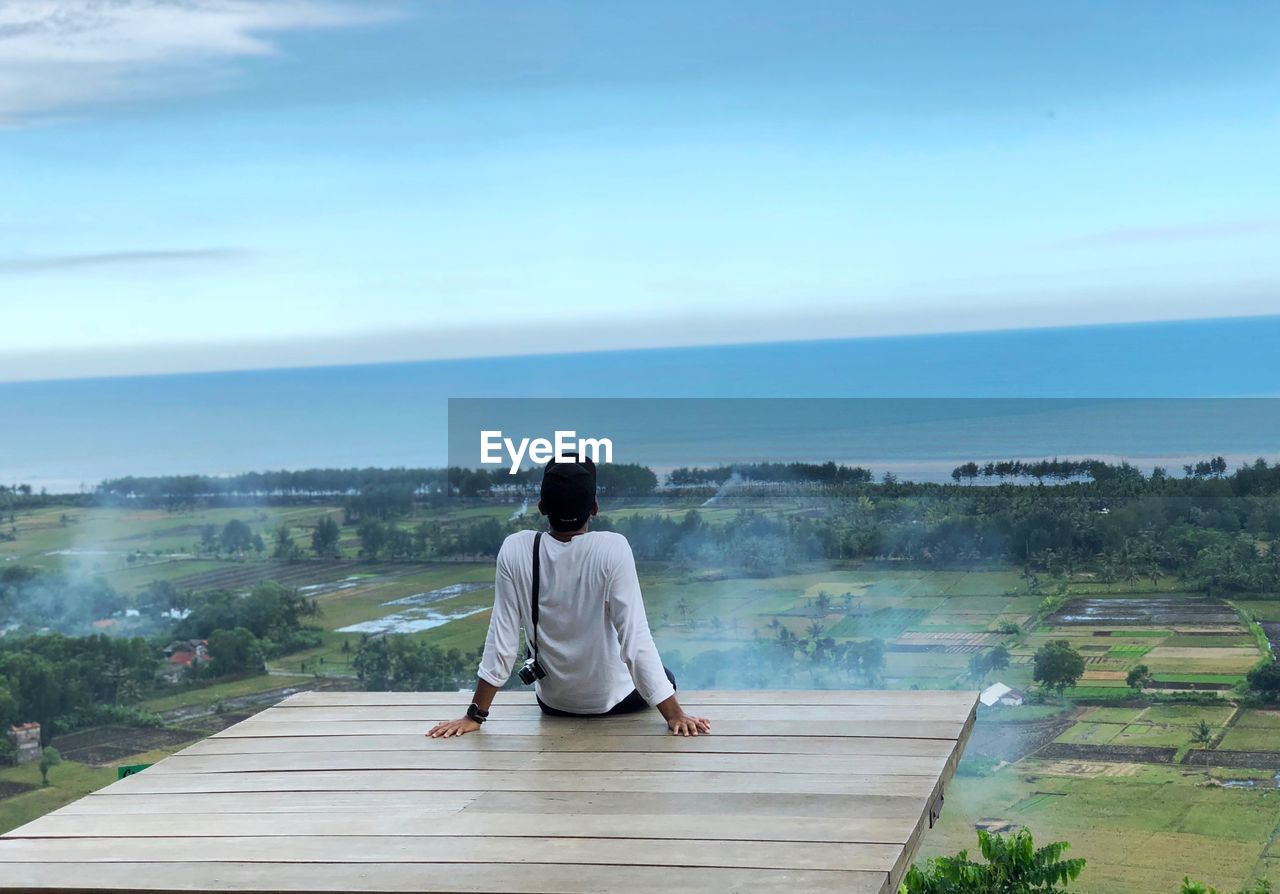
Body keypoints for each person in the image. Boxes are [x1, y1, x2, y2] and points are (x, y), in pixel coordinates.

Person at [428, 455, 711, 738]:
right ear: (595, 508)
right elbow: (635, 640)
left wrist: (473, 716)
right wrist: (675, 715)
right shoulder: (613, 549)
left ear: (541, 507)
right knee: (666, 676)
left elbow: (501, 643)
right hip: (609, 702)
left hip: (555, 703)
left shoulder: (515, 549)